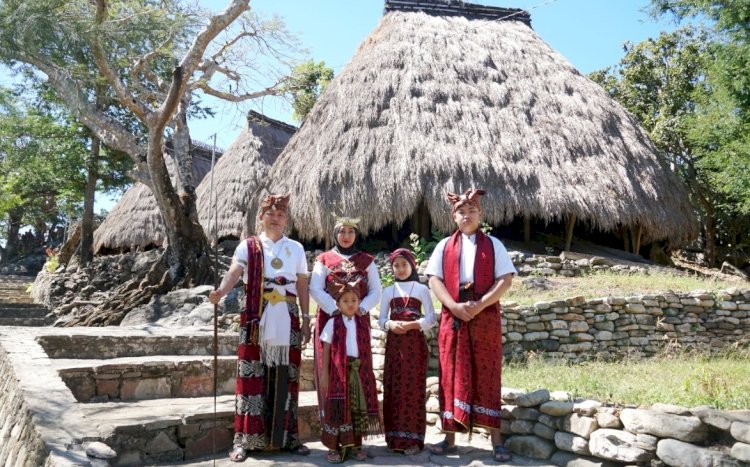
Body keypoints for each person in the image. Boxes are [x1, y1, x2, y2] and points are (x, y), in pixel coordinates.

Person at [208, 194, 311, 462]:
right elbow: (234, 271)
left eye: (280, 215)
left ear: (286, 220)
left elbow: (301, 284)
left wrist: (308, 318)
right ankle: (244, 440)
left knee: (287, 376)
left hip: (288, 313)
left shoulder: (296, 249)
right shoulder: (249, 245)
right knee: (252, 374)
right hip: (256, 314)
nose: (275, 219)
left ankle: (288, 437)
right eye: (271, 214)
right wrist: (220, 291)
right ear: (262, 217)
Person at [424, 188, 516, 463]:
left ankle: (495, 441)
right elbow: (434, 280)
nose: (467, 215)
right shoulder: (444, 246)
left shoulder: (494, 245)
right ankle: (450, 438)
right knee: (450, 372)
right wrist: (453, 307)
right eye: (461, 212)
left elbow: (505, 280)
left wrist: (482, 304)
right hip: (454, 316)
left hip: (485, 316)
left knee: (487, 372)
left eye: (472, 210)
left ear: (481, 214)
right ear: (454, 217)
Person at [309, 215, 382, 419]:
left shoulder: (367, 261)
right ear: (335, 233)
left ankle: (356, 434)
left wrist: (361, 308)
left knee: (358, 371)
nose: (346, 236)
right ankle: (333, 432)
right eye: (342, 231)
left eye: (351, 231)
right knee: (331, 372)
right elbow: (315, 288)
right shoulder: (323, 260)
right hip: (330, 321)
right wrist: (336, 308)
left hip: (358, 320)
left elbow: (376, 291)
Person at [378, 248, 436, 455]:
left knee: (412, 388)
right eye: (396, 265)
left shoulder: (421, 290)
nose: (400, 269)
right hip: (395, 346)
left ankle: (413, 440)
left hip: (414, 346)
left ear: (412, 265)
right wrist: (391, 325)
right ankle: (394, 438)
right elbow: (381, 320)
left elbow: (431, 318)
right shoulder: (388, 291)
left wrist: (413, 325)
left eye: (404, 265)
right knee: (394, 388)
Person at [319, 279, 381, 463]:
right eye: (345, 301)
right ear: (337, 304)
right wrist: (324, 374)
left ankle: (355, 445)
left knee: (357, 407)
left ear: (359, 302)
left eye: (354, 300)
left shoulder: (362, 324)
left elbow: (366, 349)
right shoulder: (332, 323)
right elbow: (327, 348)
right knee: (338, 409)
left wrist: (368, 373)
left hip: (358, 373)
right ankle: (333, 447)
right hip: (339, 375)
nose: (350, 304)